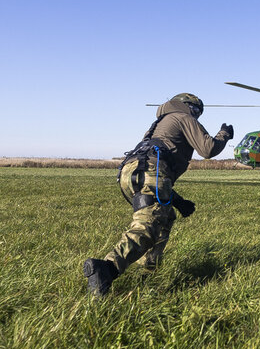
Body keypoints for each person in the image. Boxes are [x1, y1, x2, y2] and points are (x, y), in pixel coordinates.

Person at [83, 93, 233, 297]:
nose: (196, 115)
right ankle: (107, 268)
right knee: (148, 225)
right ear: (186, 106)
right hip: (150, 171)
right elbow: (208, 149)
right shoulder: (183, 117)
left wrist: (178, 202)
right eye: (196, 111)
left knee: (164, 219)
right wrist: (224, 134)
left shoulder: (159, 124)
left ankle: (148, 272)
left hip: (130, 173)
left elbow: (154, 170)